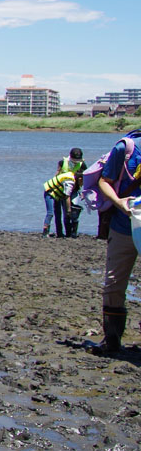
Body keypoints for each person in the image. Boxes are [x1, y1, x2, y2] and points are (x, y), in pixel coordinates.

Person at [91, 132, 141, 355]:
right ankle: (111, 341)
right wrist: (120, 203)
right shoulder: (127, 148)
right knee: (114, 283)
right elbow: (105, 181)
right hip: (124, 224)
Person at [42, 169, 79, 238]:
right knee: (50, 213)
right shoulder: (70, 181)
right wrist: (68, 210)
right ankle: (45, 232)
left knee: (58, 213)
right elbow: (67, 196)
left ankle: (59, 233)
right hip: (49, 192)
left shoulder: (71, 177)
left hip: (57, 194)